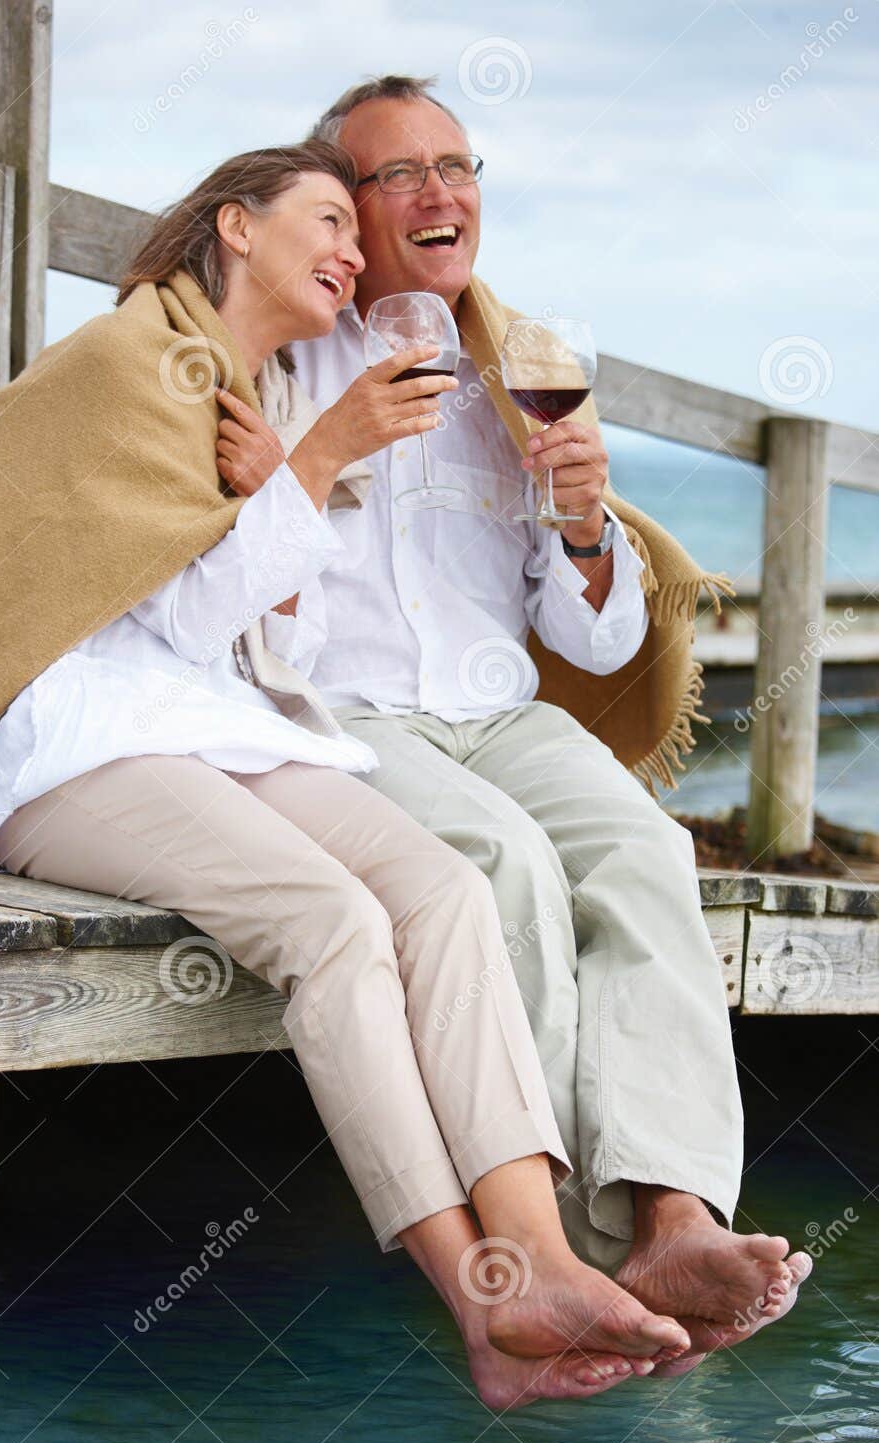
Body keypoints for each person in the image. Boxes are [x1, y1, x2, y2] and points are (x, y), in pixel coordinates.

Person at [0, 140, 702, 1409]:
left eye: (359, 232)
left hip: (216, 722)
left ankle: (543, 1252)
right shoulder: (126, 362)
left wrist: (285, 480)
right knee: (335, 923)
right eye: (331, 219)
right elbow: (160, 614)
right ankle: (481, 1301)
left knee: (446, 889)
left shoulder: (266, 398)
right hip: (74, 739)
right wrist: (311, 467)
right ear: (234, 228)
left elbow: (264, 644)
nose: (353, 251)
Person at [212, 82, 812, 1376]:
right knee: (504, 870)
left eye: (456, 166)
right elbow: (228, 599)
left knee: (647, 855)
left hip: (503, 708)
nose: (440, 196)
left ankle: (670, 1215)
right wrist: (324, 448)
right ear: (340, 211)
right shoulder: (270, 358)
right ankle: (562, 1250)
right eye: (397, 177)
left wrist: (586, 527)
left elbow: (589, 642)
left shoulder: (520, 365)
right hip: (348, 717)